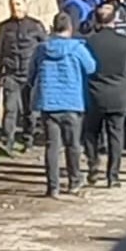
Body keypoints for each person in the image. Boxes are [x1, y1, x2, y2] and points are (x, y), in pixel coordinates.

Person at [31, 12, 97, 198]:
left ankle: (53, 186)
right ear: (70, 28)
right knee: (73, 145)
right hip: (72, 102)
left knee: (52, 146)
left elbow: (31, 73)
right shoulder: (77, 48)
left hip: (49, 102)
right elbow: (91, 67)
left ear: (52, 28)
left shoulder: (42, 49)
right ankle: (74, 181)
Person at [80, 3, 126, 188]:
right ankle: (113, 175)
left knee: (91, 132)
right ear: (115, 20)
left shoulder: (89, 42)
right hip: (119, 94)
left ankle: (93, 166)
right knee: (116, 135)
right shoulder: (125, 42)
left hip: (94, 93)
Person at [0, 0, 46, 154]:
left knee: (30, 112)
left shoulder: (35, 26)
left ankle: (28, 139)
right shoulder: (5, 27)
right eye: (13, 5)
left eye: (19, 4)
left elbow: (45, 48)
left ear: (25, 5)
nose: (16, 8)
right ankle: (7, 141)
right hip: (11, 74)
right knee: (10, 109)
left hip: (30, 74)